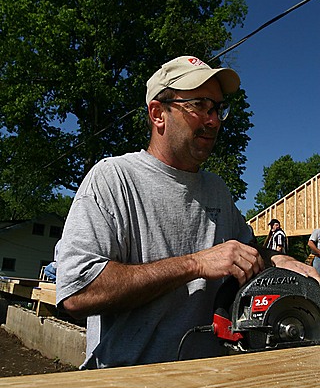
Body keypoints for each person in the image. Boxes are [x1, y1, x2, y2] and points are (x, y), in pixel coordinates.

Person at [56, 55, 320, 369]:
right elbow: (77, 292)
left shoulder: (216, 189)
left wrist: (276, 258)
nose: (214, 120)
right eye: (199, 106)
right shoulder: (113, 179)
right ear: (158, 114)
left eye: (218, 108)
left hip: (209, 385)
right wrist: (195, 264)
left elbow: (244, 250)